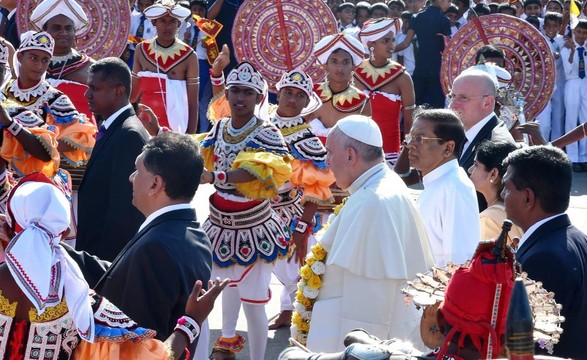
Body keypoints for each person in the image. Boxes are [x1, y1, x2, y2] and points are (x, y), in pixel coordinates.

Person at [0, 175, 226, 360]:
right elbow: (157, 357)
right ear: (63, 231)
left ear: (9, 226)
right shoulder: (83, 307)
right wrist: (191, 322)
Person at [305, 115, 434, 352]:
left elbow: (367, 313)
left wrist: (355, 354)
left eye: (330, 152)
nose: (327, 161)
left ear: (351, 156)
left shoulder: (371, 203)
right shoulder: (380, 185)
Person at [198, 61, 292, 360]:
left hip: (254, 225)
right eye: (234, 91)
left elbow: (265, 170)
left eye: (247, 93)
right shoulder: (221, 126)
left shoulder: (268, 132)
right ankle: (225, 343)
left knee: (253, 302)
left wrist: (218, 177)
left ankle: (258, 358)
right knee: (221, 289)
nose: (239, 98)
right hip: (219, 222)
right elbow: (203, 151)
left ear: (258, 98)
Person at [501, 145, 587, 359]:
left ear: (528, 198)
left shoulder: (544, 258)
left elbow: (532, 346)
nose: (502, 195)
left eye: (507, 188)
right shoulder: (576, 237)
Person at [268, 69, 336, 330]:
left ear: (307, 102)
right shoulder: (261, 123)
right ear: (279, 93)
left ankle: (294, 313)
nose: (292, 99)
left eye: (299, 95)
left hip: (290, 210)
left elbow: (317, 185)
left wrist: (302, 224)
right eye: (288, 93)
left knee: (293, 267)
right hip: (259, 207)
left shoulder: (307, 139)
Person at [76, 57, 150, 261]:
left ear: (118, 91)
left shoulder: (129, 135)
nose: (87, 94)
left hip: (106, 260)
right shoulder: (115, 128)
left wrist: (102, 267)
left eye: (94, 88)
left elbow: (123, 213)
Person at [406, 108, 480, 266]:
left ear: (448, 148)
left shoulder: (456, 187)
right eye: (410, 137)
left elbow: (459, 261)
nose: (410, 144)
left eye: (420, 138)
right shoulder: (437, 183)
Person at [130, 0, 199, 134]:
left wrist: (190, 138)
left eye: (172, 21)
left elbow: (192, 103)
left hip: (176, 128)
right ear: (154, 22)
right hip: (145, 125)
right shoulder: (141, 49)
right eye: (162, 21)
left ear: (178, 24)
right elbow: (132, 97)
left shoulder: (189, 55)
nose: (167, 26)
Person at [355, 18, 416, 166]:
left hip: (390, 152)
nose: (391, 45)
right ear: (370, 44)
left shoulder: (402, 76)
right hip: (356, 150)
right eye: (386, 41)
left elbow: (410, 121)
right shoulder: (354, 72)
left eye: (393, 40)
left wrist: (406, 151)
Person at [30, 0, 95, 122]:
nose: (63, 33)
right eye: (57, 28)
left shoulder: (91, 68)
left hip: (79, 137)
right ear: (45, 32)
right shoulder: (27, 65)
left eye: (68, 28)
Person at [448, 69, 514, 173]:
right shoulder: (459, 132)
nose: (453, 104)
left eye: (463, 98)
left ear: (487, 102)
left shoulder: (497, 144)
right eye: (452, 96)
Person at [309, 33, 369, 144]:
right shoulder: (312, 93)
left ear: (353, 66)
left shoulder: (363, 101)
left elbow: (365, 140)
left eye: (345, 62)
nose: (340, 68)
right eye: (334, 61)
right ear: (325, 65)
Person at [395, 0, 452, 108]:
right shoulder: (444, 20)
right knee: (436, 108)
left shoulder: (416, 17)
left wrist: (387, 50)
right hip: (438, 69)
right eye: (448, 1)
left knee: (416, 105)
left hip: (420, 67)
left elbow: (405, 43)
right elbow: (448, 48)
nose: (450, 4)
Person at [468, 140, 523, 240]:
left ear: (493, 174)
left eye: (476, 165)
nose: (470, 170)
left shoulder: (488, 219)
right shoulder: (520, 211)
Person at [561, 19, 587, 171]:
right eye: (579, 32)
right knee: (571, 119)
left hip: (585, 84)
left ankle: (584, 156)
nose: (582, 35)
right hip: (572, 83)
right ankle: (572, 157)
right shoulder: (567, 48)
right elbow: (568, 70)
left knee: (585, 120)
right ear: (573, 32)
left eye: (585, 33)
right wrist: (571, 52)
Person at [127, 0, 156, 69]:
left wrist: (131, 38)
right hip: (131, 54)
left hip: (147, 55)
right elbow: (124, 35)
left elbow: (152, 43)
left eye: (147, 5)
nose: (143, 8)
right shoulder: (132, 17)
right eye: (141, 5)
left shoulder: (156, 21)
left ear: (153, 5)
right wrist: (125, 49)